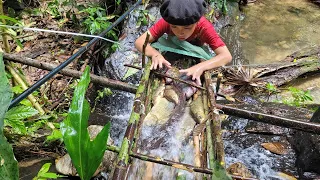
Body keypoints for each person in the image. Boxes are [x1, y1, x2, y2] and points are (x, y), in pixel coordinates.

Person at [135, 0, 232, 86]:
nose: (180, 32)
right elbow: (139, 42)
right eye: (174, 27)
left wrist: (200, 67)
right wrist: (155, 54)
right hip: (173, 45)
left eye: (187, 28)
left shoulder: (204, 27)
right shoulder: (166, 22)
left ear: (197, 22)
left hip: (196, 47)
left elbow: (226, 56)